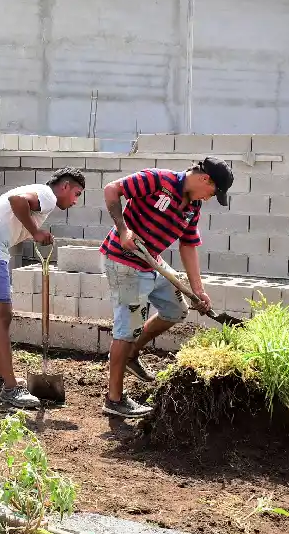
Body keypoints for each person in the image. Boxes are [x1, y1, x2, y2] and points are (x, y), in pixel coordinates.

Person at [100, 156, 235, 419]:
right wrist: (123, 230)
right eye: (213, 192)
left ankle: (131, 355)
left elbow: (188, 244)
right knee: (127, 328)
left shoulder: (193, 205)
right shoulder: (159, 180)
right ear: (204, 179)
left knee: (176, 310)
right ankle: (114, 399)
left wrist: (198, 289)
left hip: (152, 261)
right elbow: (111, 189)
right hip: (125, 261)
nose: (210, 198)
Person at [0, 168, 86, 407]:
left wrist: (34, 233)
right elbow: (16, 201)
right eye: (76, 194)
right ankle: (10, 388)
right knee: (2, 315)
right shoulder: (47, 195)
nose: (75, 201)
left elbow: (16, 214)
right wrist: (36, 230)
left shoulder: (41, 196)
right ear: (65, 186)